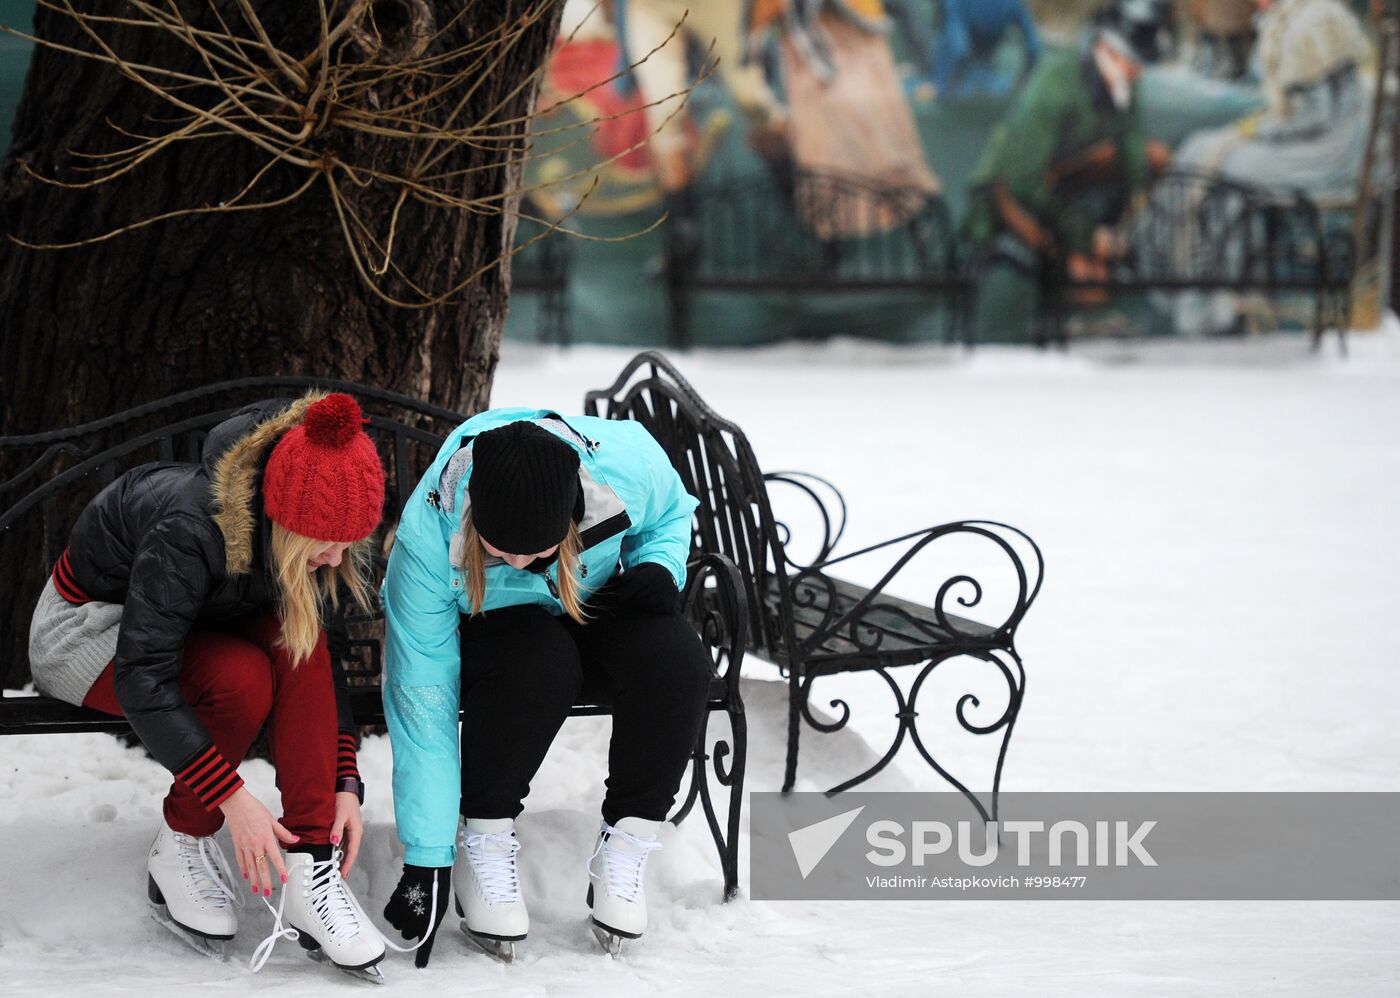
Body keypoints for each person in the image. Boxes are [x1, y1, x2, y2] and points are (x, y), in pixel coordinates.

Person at [27, 392, 390, 977]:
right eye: (326, 541)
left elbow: (323, 660)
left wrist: (344, 780)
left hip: (194, 622)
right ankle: (181, 843)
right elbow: (143, 674)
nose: (336, 557)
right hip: (89, 628)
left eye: (350, 541)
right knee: (241, 680)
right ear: (286, 521)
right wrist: (230, 797)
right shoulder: (191, 528)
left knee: (298, 642)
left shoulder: (308, 544)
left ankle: (311, 869)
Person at [379, 409, 713, 965]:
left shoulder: (626, 465)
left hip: (594, 598)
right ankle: (485, 837)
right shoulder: (430, 539)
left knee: (677, 662)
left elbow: (673, 512)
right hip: (503, 631)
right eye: (496, 548)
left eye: (533, 550)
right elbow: (423, 699)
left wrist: (658, 565)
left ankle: (627, 840)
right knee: (540, 664)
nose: (514, 560)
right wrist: (427, 859)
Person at [964, 0, 1173, 342]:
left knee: (1155, 158)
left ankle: (1097, 299)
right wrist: (1086, 235)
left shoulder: (1126, 79)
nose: (1140, 71)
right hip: (1013, 191)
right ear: (1107, 48)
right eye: (1134, 60)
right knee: (1080, 260)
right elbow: (1023, 181)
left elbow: (1132, 143)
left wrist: (1132, 217)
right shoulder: (1056, 83)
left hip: (1069, 180)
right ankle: (1073, 320)